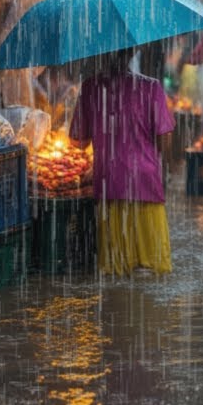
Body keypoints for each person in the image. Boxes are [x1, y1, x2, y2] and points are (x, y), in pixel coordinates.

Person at [69, 48, 174, 276]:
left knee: (116, 270)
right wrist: (148, 157)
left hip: (109, 182)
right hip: (145, 181)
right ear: (133, 53)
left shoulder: (90, 87)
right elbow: (164, 138)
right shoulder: (151, 87)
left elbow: (78, 142)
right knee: (152, 269)